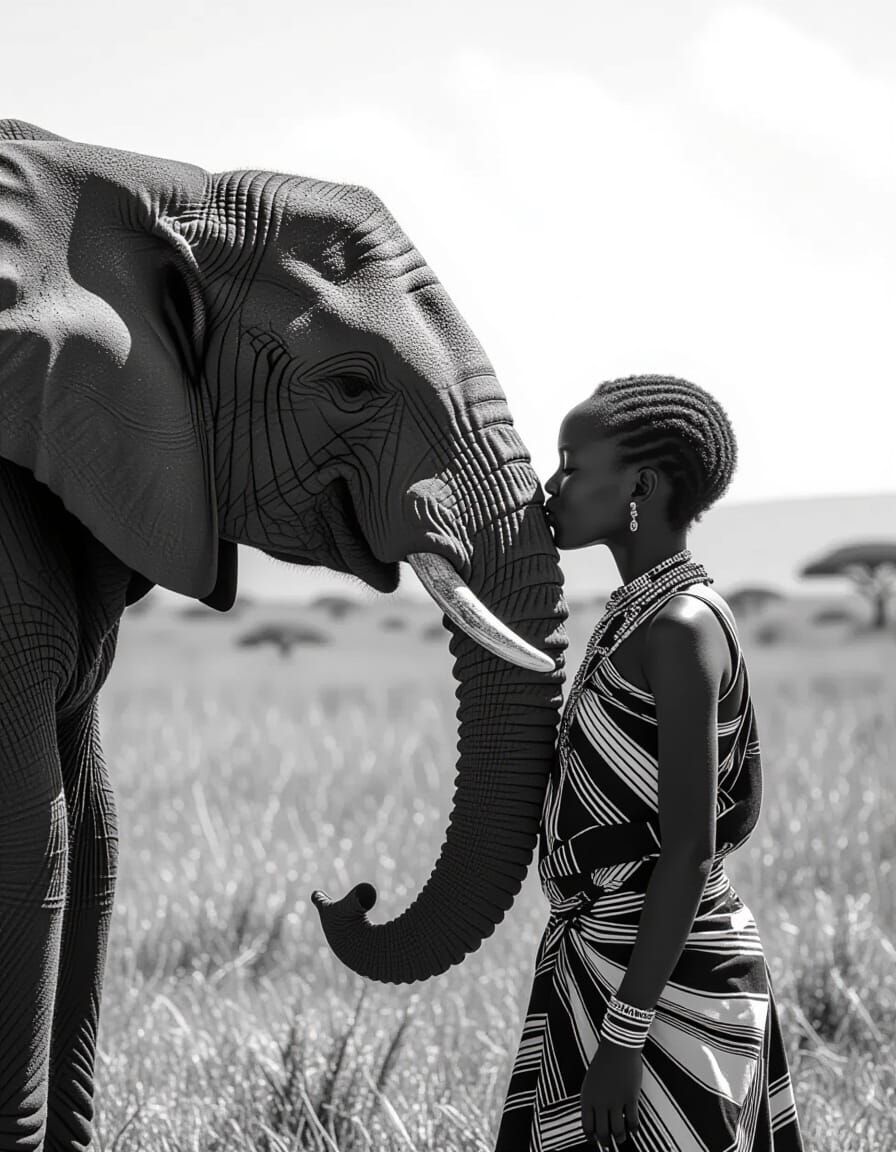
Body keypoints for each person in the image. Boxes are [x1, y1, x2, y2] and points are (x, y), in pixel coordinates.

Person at [493, 376, 805, 1151]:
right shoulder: (638, 614)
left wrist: (624, 1034)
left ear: (641, 486)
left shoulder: (679, 626)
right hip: (603, 957)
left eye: (572, 466)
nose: (551, 487)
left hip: (666, 984)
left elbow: (691, 848)